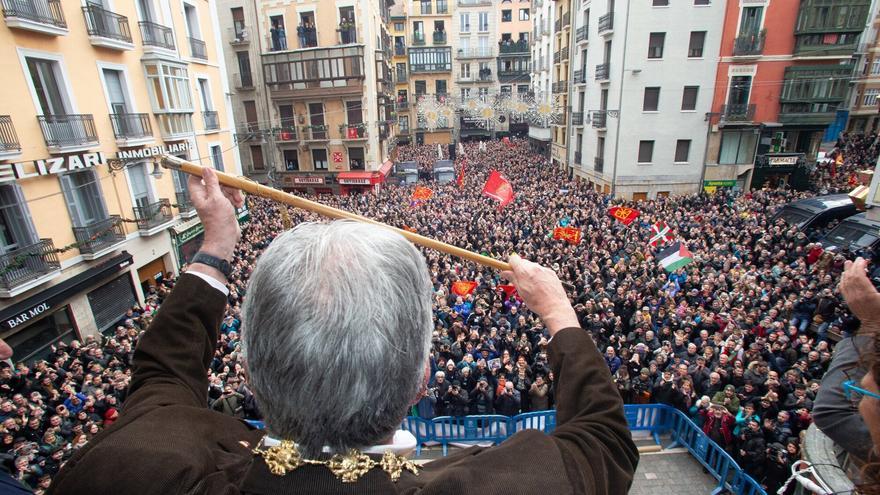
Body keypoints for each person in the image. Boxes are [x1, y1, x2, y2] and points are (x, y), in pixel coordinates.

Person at [48, 168, 639, 494]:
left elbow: (161, 379)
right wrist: (558, 312)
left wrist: (216, 244)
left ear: (250, 372)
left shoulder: (139, 471)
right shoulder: (515, 487)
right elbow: (605, 442)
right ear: (420, 382)